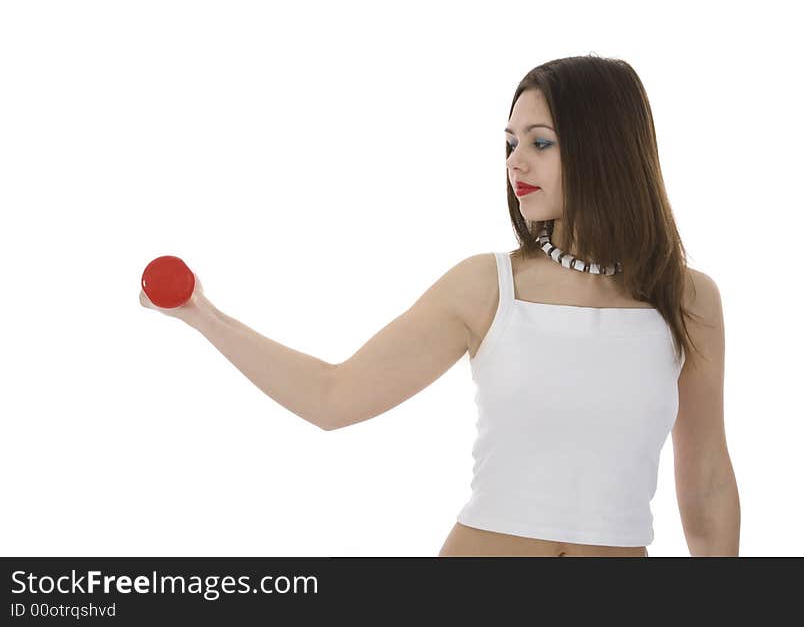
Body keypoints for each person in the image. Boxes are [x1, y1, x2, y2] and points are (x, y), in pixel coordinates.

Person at [140, 54, 739, 557]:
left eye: (540, 142)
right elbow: (333, 397)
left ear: (605, 148)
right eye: (509, 144)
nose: (514, 163)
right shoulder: (485, 286)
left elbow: (707, 477)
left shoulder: (688, 300)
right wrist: (202, 314)